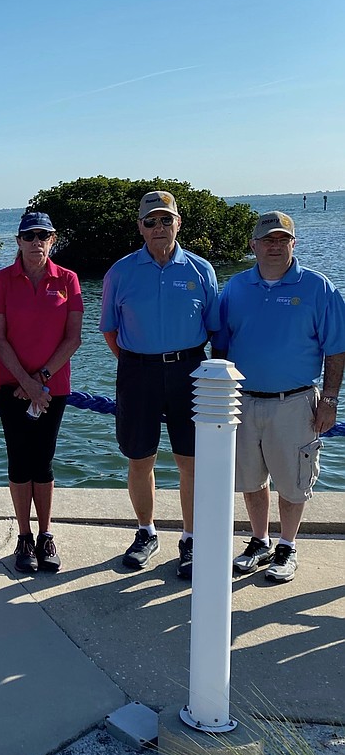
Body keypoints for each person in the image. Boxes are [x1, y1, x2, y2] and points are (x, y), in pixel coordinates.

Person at [212, 211, 345, 583]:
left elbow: (336, 348)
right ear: (253, 245)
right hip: (243, 402)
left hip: (296, 401)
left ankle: (287, 546)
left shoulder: (318, 287)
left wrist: (331, 399)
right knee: (251, 481)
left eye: (282, 239)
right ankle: (259, 541)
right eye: (267, 239)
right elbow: (220, 346)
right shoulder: (235, 287)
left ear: (293, 244)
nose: (274, 246)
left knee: (293, 482)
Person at [100, 190, 219, 579]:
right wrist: (139, 363)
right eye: (150, 221)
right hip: (138, 371)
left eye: (166, 219)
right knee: (140, 458)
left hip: (191, 371)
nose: (158, 227)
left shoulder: (201, 270)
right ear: (140, 226)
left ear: (178, 223)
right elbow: (110, 330)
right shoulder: (120, 272)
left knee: (191, 460)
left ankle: (190, 538)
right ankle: (146, 532)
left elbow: (216, 330)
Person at [0, 212, 83, 574]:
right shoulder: (1, 279)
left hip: (52, 388)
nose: (36, 242)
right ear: (18, 241)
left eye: (43, 235)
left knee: (43, 461)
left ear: (52, 239)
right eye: (29, 236)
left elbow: (73, 338)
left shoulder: (68, 280)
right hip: (11, 386)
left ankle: (45, 534)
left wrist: (41, 380)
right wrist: (27, 384)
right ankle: (23, 537)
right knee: (18, 460)